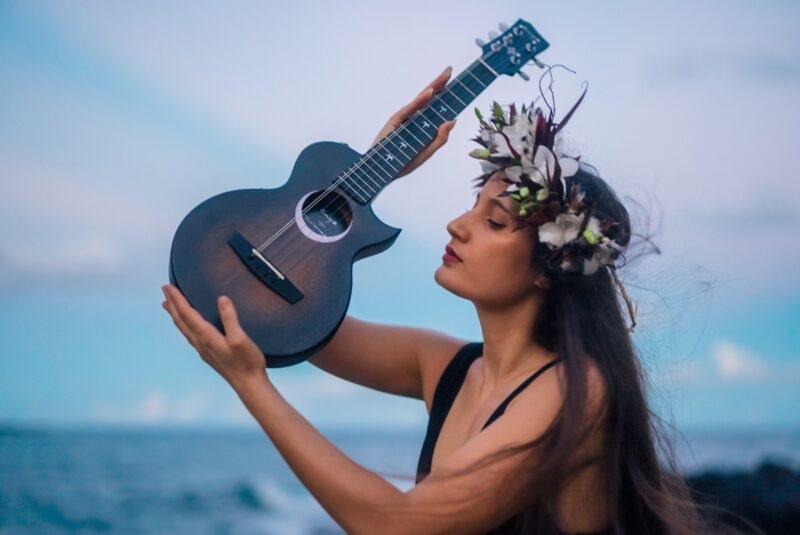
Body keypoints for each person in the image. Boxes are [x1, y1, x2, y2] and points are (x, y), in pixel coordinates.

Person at [161, 67, 716, 534]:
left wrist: (251, 385)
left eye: (494, 221)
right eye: (474, 207)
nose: (458, 225)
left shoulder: (578, 390)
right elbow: (287, 320)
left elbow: (399, 525)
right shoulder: (444, 367)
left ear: (551, 266)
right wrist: (365, 179)